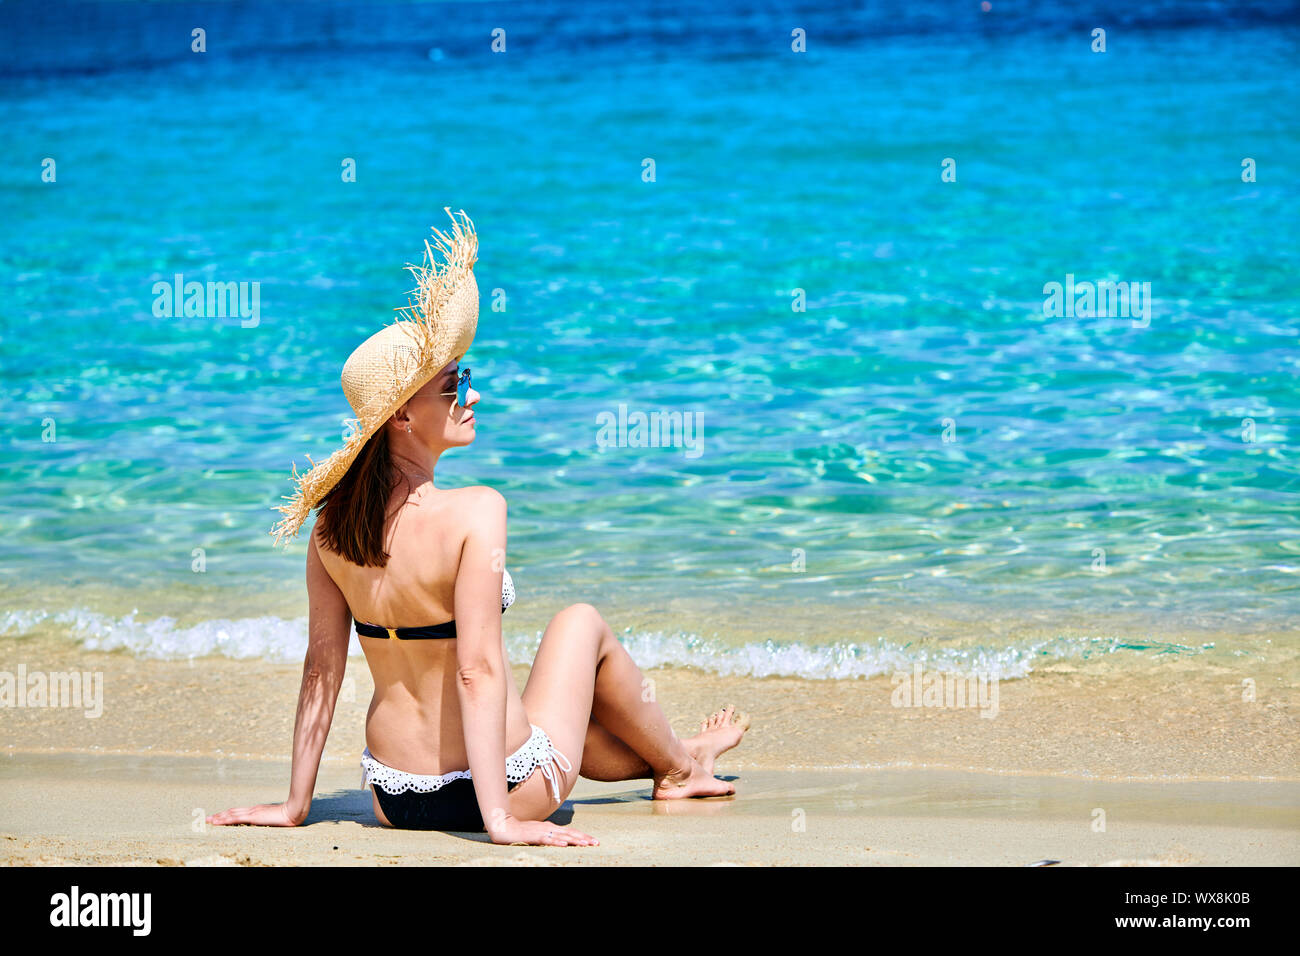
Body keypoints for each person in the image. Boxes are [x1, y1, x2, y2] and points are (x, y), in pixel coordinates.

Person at [208, 209, 749, 847]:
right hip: (508, 787)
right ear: (403, 417)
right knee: (580, 623)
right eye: (453, 384)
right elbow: (478, 671)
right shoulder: (477, 509)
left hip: (395, 798)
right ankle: (682, 767)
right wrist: (500, 821)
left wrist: (296, 804)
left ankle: (679, 753)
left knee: (564, 714)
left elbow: (321, 668)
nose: (472, 395)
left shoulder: (330, 531)